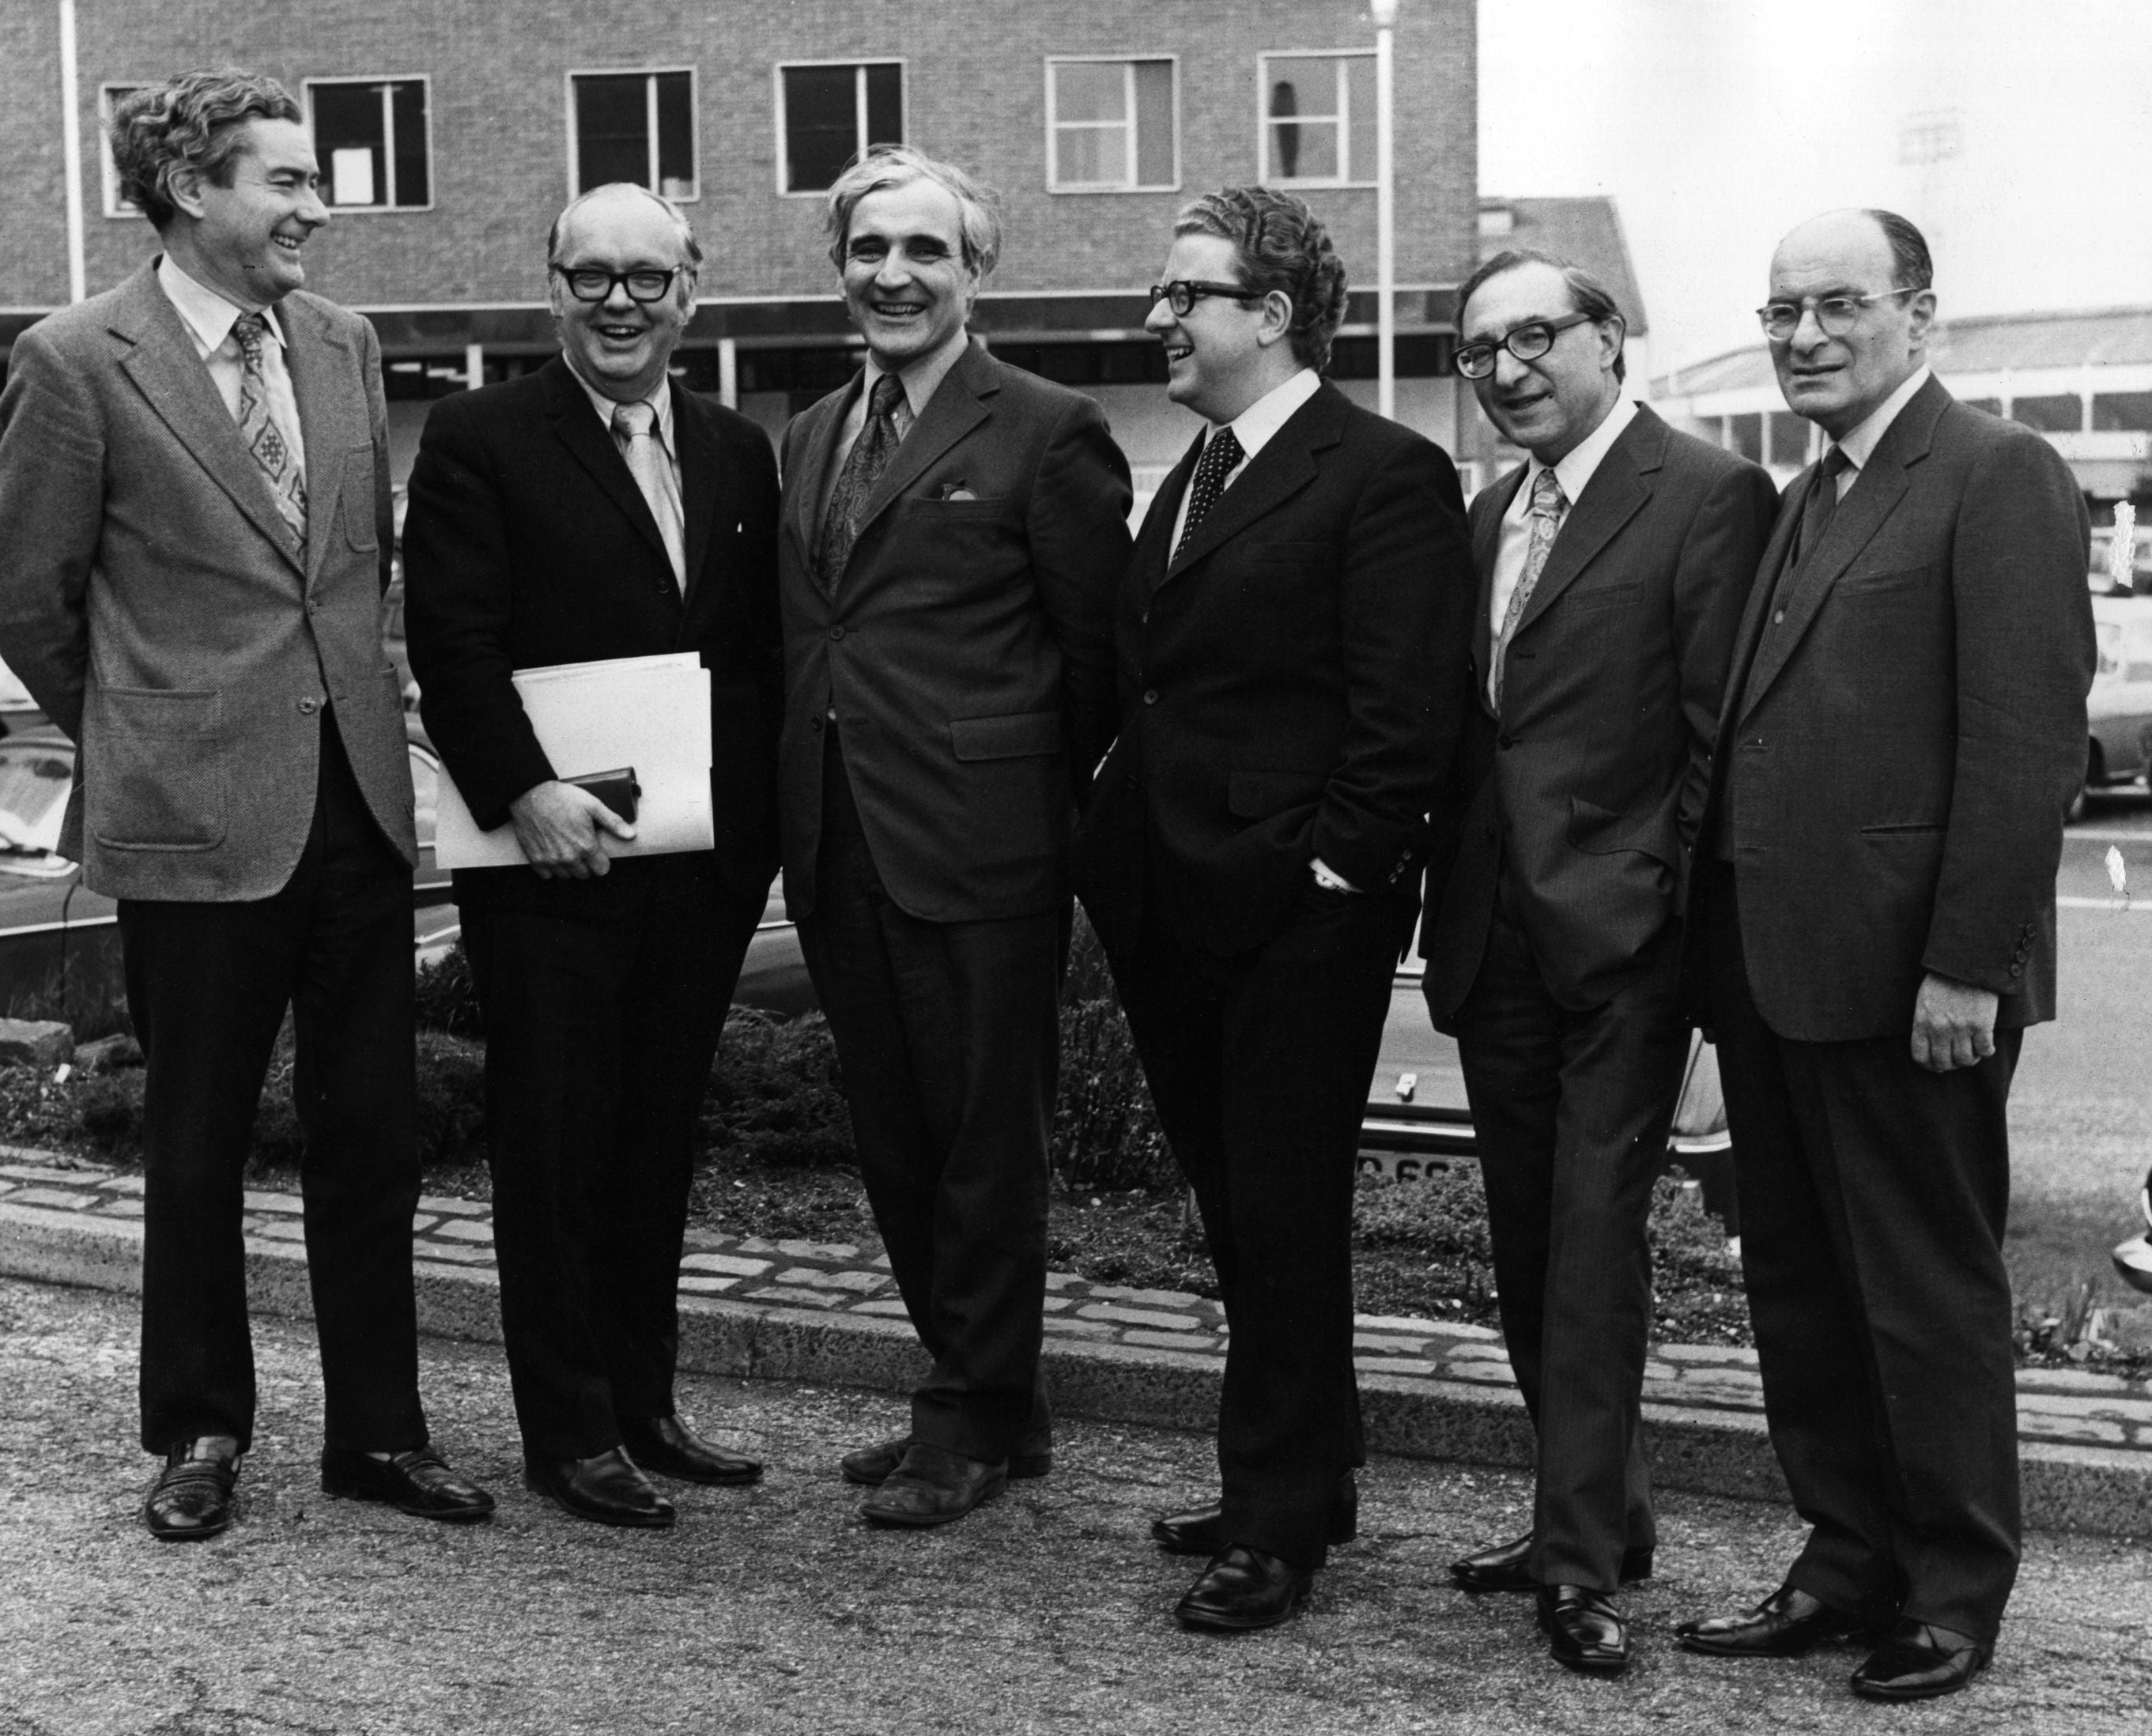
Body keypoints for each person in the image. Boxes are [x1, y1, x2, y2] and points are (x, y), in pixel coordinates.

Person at [0, 67, 491, 1539]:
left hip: (358, 810)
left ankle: (378, 1438)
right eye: (282, 179)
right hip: (193, 815)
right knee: (196, 1139)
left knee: (373, 1138)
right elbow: (31, 602)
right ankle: (200, 1430)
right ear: (191, 189)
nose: (313, 206)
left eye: (312, 179)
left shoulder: (342, 342)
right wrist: (151, 732)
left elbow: (360, 564)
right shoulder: (77, 359)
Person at [1677, 209, 2094, 1702]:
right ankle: (1843, 1562)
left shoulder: (1995, 474)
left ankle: (1950, 1592)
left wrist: (1967, 969)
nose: (1800, 336)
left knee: (1921, 1290)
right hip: (1775, 976)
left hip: (1910, 982)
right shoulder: (1806, 495)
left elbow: (2027, 742)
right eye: (1779, 310)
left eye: (1837, 305)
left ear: (1920, 314)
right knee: (1799, 1285)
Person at [1075, 186, 1474, 1631]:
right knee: (1237, 1212)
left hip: (1297, 919)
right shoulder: (1190, 472)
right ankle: (1309, 1473)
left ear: (1273, 314)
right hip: (1166, 900)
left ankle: (1278, 1519)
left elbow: (1405, 711)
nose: (1159, 316)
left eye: (1187, 293)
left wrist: (1333, 874)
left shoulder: (1379, 474)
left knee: (1284, 1211)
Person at [405, 183, 782, 1528]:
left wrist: (762, 836)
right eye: (590, 277)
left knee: (657, 1141)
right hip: (551, 870)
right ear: (549, 284)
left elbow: (751, 659)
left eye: (646, 277)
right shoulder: (478, 437)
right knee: (556, 1147)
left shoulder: (742, 449)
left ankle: (644, 1404)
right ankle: (567, 1433)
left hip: (697, 868)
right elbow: (448, 645)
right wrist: (524, 794)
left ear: (693, 288)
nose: (618, 302)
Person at [1418, 251, 1775, 1672]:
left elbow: (1715, 739)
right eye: (1477, 351)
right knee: (1523, 1240)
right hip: (1491, 932)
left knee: (1587, 1243)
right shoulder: (1490, 509)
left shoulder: (1705, 495)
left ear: (1607, 339)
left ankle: (1575, 1568)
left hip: (1620, 946)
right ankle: (1599, 1511)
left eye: (1532, 338)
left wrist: (1657, 919)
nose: (1505, 371)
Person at [776, 145, 1131, 1528]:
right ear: (840, 269)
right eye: (870, 251)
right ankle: (998, 1394)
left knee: (985, 1143)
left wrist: (1025, 803)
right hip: (837, 837)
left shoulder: (1048, 429)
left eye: (925, 251)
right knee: (900, 1143)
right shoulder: (811, 433)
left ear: (975, 271)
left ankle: (965, 1423)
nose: (894, 276)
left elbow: (1095, 659)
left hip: (979, 847)